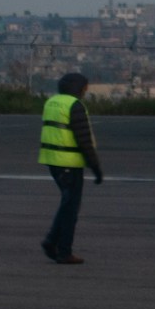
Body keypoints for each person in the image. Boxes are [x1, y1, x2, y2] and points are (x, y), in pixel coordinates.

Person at [39, 72, 102, 265]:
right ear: (78, 88)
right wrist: (96, 167)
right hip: (69, 163)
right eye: (84, 87)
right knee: (71, 209)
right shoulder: (75, 106)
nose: (85, 91)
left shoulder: (51, 102)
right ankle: (64, 251)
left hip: (52, 160)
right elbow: (83, 139)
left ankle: (51, 242)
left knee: (66, 205)